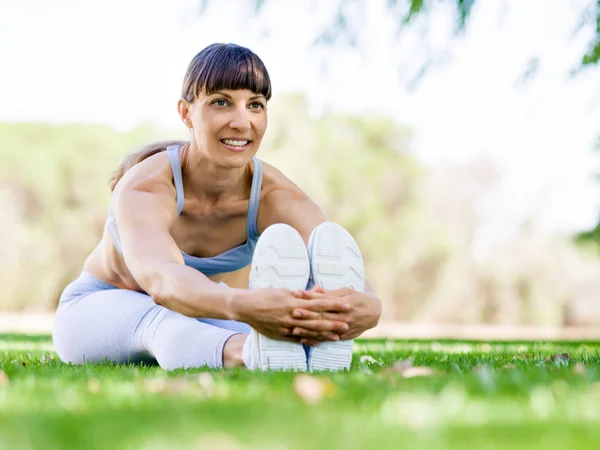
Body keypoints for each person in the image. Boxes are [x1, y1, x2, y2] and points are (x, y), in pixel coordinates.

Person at [52, 43, 382, 372]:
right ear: (186, 113)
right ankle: (250, 355)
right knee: (165, 321)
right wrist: (248, 305)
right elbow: (164, 282)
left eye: (255, 105)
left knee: (249, 327)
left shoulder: (277, 196)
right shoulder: (146, 188)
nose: (242, 122)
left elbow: (353, 280)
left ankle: (297, 348)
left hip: (197, 308)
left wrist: (358, 309)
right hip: (96, 309)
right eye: (221, 103)